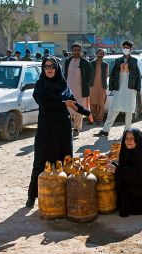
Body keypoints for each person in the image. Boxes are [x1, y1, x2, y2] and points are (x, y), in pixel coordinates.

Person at [26, 57, 93, 208]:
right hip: (46, 129)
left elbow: (73, 102)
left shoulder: (63, 84)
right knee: (40, 162)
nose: (49, 69)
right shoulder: (40, 85)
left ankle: (66, 196)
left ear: (57, 68)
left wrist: (87, 112)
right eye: (46, 67)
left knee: (65, 161)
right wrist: (63, 103)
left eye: (52, 66)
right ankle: (32, 197)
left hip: (62, 128)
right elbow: (44, 103)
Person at [94, 41, 141, 137]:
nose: (125, 49)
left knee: (129, 111)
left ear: (130, 49)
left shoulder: (135, 61)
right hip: (119, 88)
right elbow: (113, 74)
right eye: (124, 47)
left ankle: (127, 131)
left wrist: (128, 71)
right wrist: (120, 70)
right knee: (113, 109)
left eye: (127, 47)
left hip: (130, 89)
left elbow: (137, 76)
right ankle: (105, 130)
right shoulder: (118, 60)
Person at [64, 43, 92, 137]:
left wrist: (84, 85)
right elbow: (65, 74)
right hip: (69, 90)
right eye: (74, 50)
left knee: (78, 110)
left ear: (80, 51)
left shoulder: (85, 62)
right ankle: (67, 128)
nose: (76, 52)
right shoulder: (68, 61)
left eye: (78, 50)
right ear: (72, 51)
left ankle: (76, 129)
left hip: (80, 90)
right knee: (68, 109)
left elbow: (89, 77)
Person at [89, 48, 109, 125]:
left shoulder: (105, 65)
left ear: (103, 55)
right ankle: (91, 119)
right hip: (92, 86)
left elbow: (106, 75)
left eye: (101, 54)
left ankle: (99, 119)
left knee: (100, 103)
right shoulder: (91, 63)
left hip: (102, 86)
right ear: (96, 54)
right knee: (92, 102)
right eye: (99, 53)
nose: (100, 55)